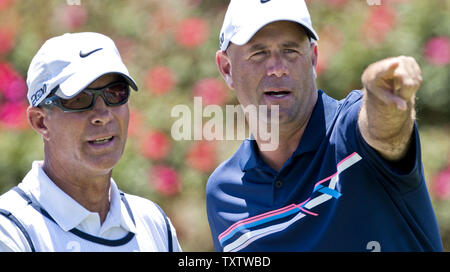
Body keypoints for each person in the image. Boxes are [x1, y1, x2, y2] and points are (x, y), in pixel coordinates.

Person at [206, 0, 443, 252]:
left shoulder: (351, 134)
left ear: (313, 58)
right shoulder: (223, 194)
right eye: (259, 53)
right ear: (227, 68)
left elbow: (383, 131)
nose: (277, 69)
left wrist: (387, 101)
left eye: (290, 51)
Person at [0, 32, 182, 252]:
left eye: (115, 93)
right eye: (79, 99)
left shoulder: (153, 223)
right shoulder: (10, 230)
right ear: (40, 122)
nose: (103, 114)